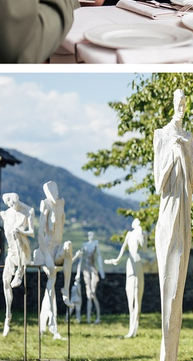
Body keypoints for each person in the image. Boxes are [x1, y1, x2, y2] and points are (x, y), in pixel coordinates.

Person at [154, 89, 193, 361]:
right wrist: (173, 149)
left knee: (178, 288)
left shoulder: (190, 138)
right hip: (168, 216)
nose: (181, 106)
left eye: (184, 102)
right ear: (172, 103)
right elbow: (158, 182)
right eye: (177, 102)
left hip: (184, 218)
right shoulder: (161, 134)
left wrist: (186, 150)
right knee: (168, 287)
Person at [32, 181, 73, 340]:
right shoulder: (46, 205)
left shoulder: (61, 204)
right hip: (47, 249)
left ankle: (66, 290)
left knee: (68, 246)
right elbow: (40, 234)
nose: (55, 191)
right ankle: (51, 327)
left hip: (58, 247)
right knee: (50, 284)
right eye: (52, 189)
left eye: (56, 188)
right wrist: (47, 256)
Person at [0, 192, 34, 337]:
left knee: (16, 234)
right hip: (12, 252)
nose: (11, 205)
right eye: (8, 203)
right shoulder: (6, 214)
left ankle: (20, 272)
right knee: (5, 281)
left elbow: (32, 232)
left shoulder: (28, 211)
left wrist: (20, 231)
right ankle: (8, 318)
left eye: (12, 202)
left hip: (24, 249)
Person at [105, 218, 146, 338]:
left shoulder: (140, 234)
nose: (136, 222)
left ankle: (134, 329)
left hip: (137, 261)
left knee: (137, 293)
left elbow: (143, 248)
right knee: (130, 292)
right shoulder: (129, 234)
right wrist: (115, 260)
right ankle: (130, 329)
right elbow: (123, 249)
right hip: (130, 263)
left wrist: (143, 236)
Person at [74, 231, 105, 324]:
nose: (91, 236)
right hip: (86, 270)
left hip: (93, 270)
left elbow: (99, 257)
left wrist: (101, 270)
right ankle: (88, 318)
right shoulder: (84, 245)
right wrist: (78, 272)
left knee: (92, 293)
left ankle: (97, 317)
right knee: (88, 294)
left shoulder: (96, 244)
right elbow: (81, 259)